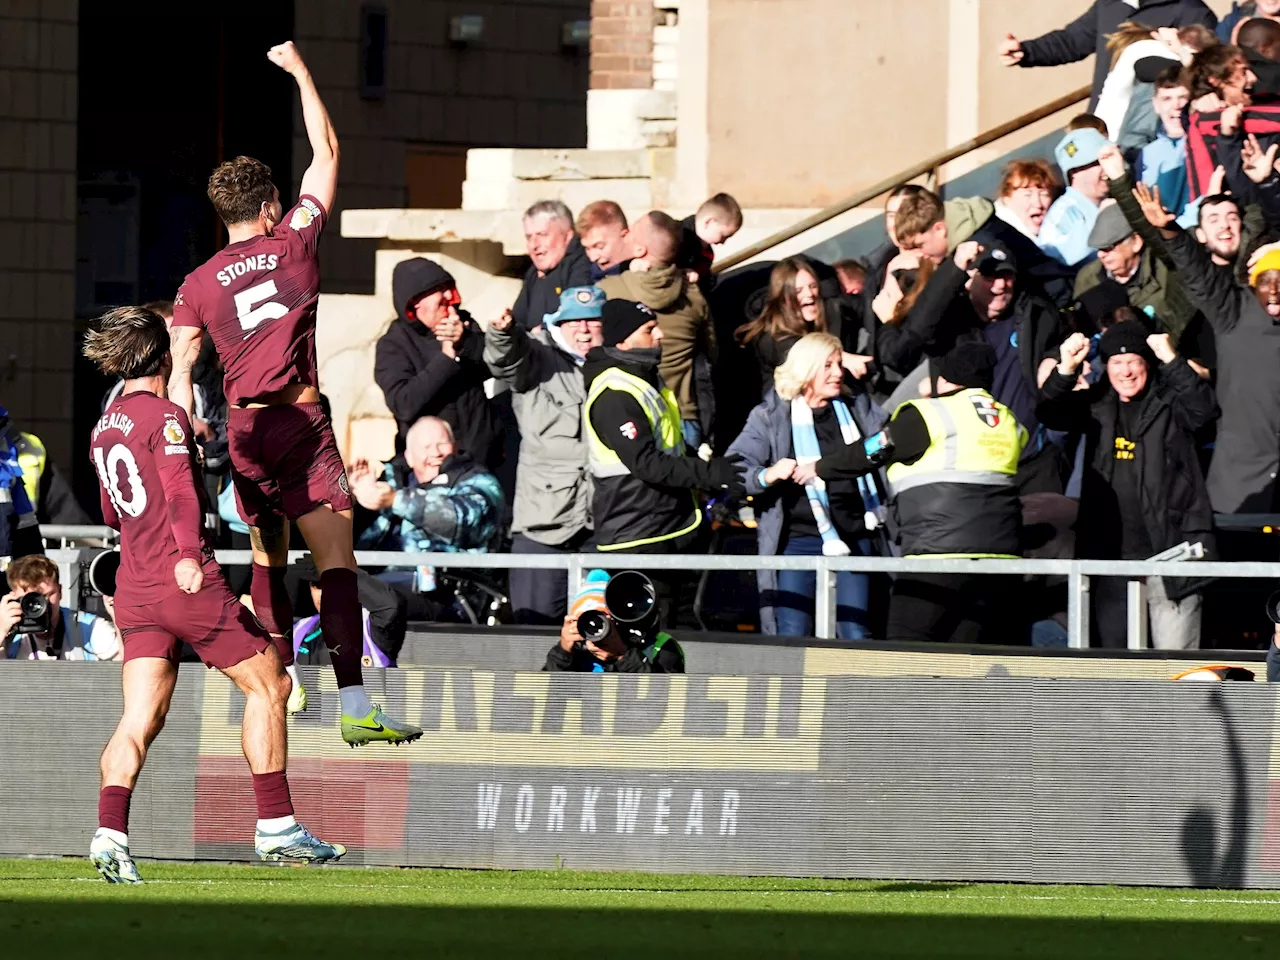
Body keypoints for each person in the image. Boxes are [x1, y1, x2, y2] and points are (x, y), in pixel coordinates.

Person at [167, 41, 421, 746]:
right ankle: (354, 704)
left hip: (244, 431)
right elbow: (328, 147)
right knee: (336, 563)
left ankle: (279, 675)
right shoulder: (297, 241)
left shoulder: (197, 282)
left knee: (267, 556)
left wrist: (188, 409)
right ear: (272, 205)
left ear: (224, 215)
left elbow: (184, 359)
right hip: (301, 424)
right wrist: (302, 71)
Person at [81, 304, 343, 883]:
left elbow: (110, 509)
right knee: (270, 684)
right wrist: (193, 558)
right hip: (182, 580)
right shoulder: (168, 419)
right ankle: (277, 825)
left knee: (138, 718)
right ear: (162, 355)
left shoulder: (106, 424)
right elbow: (180, 495)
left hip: (135, 587)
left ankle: (109, 833)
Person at [795, 342, 1027, 644]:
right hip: (1000, 558)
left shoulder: (931, 414)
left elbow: (871, 452)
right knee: (967, 659)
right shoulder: (1006, 419)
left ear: (944, 378)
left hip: (938, 555)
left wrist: (819, 467)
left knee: (905, 650)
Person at [1038, 325, 1218, 649]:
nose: (1126, 371)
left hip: (1172, 550)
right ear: (1106, 367)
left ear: (1147, 364)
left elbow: (1204, 412)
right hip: (1110, 556)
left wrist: (1172, 359)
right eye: (1117, 363)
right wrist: (1065, 367)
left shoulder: (1171, 401)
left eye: (1134, 361)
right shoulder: (1094, 404)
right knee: (1114, 668)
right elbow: (1049, 412)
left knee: (1175, 666)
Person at [1133, 180, 1280, 515]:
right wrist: (1169, 229)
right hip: (1243, 476)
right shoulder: (1234, 309)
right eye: (1266, 281)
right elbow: (1197, 272)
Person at [726, 333, 887, 638]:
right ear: (806, 369)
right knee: (792, 634)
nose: (838, 373)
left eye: (839, 364)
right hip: (798, 540)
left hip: (854, 536)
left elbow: (886, 445)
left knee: (856, 634)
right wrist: (767, 475)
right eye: (827, 365)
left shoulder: (858, 407)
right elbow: (734, 468)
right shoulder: (770, 416)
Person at [582, 299, 745, 564]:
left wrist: (710, 476)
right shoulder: (615, 393)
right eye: (649, 330)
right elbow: (646, 463)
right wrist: (709, 473)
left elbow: (672, 447)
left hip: (670, 525)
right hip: (637, 536)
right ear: (622, 342)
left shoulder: (646, 379)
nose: (660, 335)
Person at [485, 286, 601, 624]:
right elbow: (506, 358)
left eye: (592, 320)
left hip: (600, 529)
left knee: (600, 638)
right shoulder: (538, 356)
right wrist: (503, 332)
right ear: (558, 325)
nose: (583, 329)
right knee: (534, 635)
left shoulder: (616, 363)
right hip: (543, 527)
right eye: (574, 321)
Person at [348, 416, 504, 614]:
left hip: (447, 592)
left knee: (364, 601)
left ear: (455, 446)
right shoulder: (391, 481)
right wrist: (354, 497)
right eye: (426, 447)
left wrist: (397, 500)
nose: (436, 453)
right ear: (409, 457)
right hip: (379, 581)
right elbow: (351, 539)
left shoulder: (479, 481)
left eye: (442, 444)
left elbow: (465, 520)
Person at [599, 211, 716, 449]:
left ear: (641, 250)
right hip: (684, 415)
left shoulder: (609, 291)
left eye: (631, 231)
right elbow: (712, 351)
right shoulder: (693, 296)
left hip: (628, 415)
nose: (625, 233)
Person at [374, 257, 499, 465]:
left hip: (481, 460)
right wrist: (447, 358)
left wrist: (466, 342)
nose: (449, 298)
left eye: (449, 289)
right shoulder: (393, 345)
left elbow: (497, 365)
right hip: (432, 465)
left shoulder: (464, 325)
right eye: (439, 291)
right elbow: (403, 403)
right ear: (415, 303)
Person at [996, 0, 1219, 110]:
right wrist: (1027, 51)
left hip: (1150, 130)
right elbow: (1074, 39)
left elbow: (1203, 71)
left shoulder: (1192, 12)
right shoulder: (1111, 3)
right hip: (1103, 121)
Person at [1072, 201, 1197, 346]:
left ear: (1136, 242)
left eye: (1109, 247)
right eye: (1099, 249)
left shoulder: (1164, 270)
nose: (1101, 255)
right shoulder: (1088, 278)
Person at [543, 569, 686, 673]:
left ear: (617, 620)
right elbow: (543, 704)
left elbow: (666, 701)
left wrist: (623, 655)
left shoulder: (659, 646)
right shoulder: (575, 652)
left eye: (603, 619)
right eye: (586, 620)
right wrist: (563, 654)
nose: (596, 628)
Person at [1, 554, 120, 660]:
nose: (42, 605)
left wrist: (119, 617)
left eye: (48, 595)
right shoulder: (9, 635)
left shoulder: (89, 628)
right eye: (30, 600)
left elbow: (127, 666)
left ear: (60, 591)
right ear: (14, 597)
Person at [291, 554, 399, 667]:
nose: (324, 594)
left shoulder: (369, 623)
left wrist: (339, 569)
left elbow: (390, 606)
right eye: (317, 586)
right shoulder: (299, 629)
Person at [510, 199, 593, 329]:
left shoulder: (582, 266)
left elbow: (575, 316)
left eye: (542, 235)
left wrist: (543, 331)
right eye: (529, 237)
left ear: (568, 236)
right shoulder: (534, 273)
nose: (534, 245)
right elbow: (518, 321)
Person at [1038, 127, 1112, 266]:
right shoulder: (1062, 216)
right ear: (1075, 172)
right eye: (1097, 162)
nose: (1107, 167)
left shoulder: (1114, 197)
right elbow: (1062, 262)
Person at [1135, 67, 1193, 220]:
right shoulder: (1146, 154)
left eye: (1183, 97)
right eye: (1167, 99)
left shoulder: (1205, 141)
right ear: (1156, 104)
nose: (1176, 105)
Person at [677, 192, 744, 291]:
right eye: (723, 236)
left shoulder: (706, 253)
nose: (723, 242)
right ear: (709, 222)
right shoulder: (675, 238)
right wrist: (680, 272)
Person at [994, 160, 1060, 241]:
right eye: (1027, 195)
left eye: (1044, 194)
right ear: (1006, 199)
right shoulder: (998, 240)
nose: (1038, 204)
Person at [577, 200, 631, 280]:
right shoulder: (582, 274)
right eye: (587, 248)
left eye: (600, 246)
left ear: (625, 236)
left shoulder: (649, 276)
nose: (593, 257)